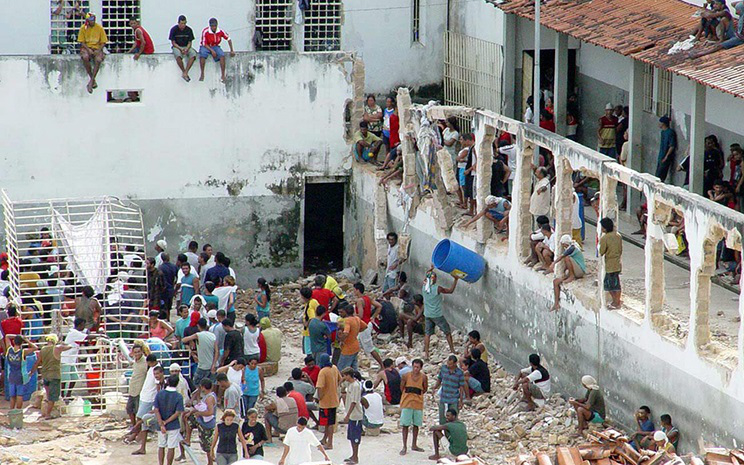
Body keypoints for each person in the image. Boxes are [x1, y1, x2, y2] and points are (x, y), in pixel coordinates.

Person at [421, 268, 458, 359]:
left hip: (427, 314)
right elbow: (450, 291)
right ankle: (452, 350)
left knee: (427, 334)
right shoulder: (437, 288)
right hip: (437, 314)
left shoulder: (424, 287)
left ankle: (426, 353)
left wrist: (430, 269)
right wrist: (455, 280)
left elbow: (427, 276)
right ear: (434, 279)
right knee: (447, 332)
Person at [132, 364, 166, 455]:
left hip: (164, 412)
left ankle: (137, 435)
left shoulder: (165, 385)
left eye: (157, 374)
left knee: (144, 419)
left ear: (162, 373)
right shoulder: (161, 384)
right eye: (155, 374)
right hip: (158, 410)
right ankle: (142, 447)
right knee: (145, 422)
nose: (156, 376)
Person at [34, 334, 70, 419]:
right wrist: (62, 343)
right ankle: (48, 414)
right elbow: (70, 346)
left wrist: (31, 372)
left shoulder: (43, 349)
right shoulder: (57, 348)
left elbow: (37, 362)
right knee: (52, 397)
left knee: (48, 395)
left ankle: (45, 412)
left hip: (45, 375)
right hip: (54, 376)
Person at [183, 379, 217, 465]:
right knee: (189, 419)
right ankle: (187, 439)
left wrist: (199, 413)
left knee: (207, 446)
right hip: (202, 420)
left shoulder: (209, 398)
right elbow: (199, 405)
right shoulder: (207, 395)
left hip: (207, 423)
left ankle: (210, 462)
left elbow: (210, 412)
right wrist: (192, 412)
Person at [550, 235, 587, 311]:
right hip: (576, 269)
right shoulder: (570, 247)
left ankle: (571, 276)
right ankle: (556, 303)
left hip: (580, 271)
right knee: (556, 282)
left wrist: (553, 263)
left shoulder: (572, 248)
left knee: (567, 258)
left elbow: (562, 257)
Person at [351, 283, 385, 368]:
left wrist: (352, 314)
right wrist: (373, 317)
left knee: (369, 348)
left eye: (354, 290)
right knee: (355, 345)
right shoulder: (367, 298)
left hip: (363, 326)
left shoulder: (359, 301)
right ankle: (353, 366)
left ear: (357, 290)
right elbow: (379, 306)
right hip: (367, 324)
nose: (353, 291)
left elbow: (360, 315)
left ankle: (382, 365)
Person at [154, 374, 185, 465]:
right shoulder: (178, 396)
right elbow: (177, 412)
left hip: (161, 424)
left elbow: (156, 410)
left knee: (161, 446)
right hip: (173, 425)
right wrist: (166, 422)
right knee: (171, 447)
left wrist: (161, 423)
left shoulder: (159, 394)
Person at [400, 358, 427, 455]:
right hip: (407, 402)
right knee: (405, 425)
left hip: (418, 403)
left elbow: (425, 388)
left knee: (416, 425)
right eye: (414, 367)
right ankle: (404, 446)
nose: (416, 369)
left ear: (420, 368)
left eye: (417, 367)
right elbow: (402, 387)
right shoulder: (406, 376)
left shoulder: (423, 377)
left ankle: (414, 444)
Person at [4, 334, 38, 410]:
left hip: (11, 376)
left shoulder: (9, 349)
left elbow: (7, 336)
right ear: (22, 343)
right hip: (21, 376)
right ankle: (19, 410)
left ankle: (11, 410)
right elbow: (35, 347)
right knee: (19, 395)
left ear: (13, 341)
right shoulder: (23, 352)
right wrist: (26, 339)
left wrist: (17, 336)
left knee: (12, 395)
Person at [315, 353, 341, 450]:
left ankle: (330, 443)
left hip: (325, 402)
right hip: (334, 399)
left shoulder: (323, 372)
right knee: (329, 422)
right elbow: (340, 379)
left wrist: (319, 397)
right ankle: (324, 439)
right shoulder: (334, 368)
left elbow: (320, 387)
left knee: (329, 423)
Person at [182, 318, 218, 386]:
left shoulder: (198, 335)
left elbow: (183, 340)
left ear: (198, 326)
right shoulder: (213, 335)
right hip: (213, 365)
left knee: (196, 384)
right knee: (211, 385)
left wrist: (191, 340)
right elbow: (216, 351)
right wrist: (214, 364)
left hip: (203, 366)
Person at [77, 13, 107, 94]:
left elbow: (103, 42)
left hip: (97, 48)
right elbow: (81, 42)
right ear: (87, 21)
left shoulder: (99, 28)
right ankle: (92, 79)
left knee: (98, 60)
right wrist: (88, 49)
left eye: (93, 20)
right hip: (86, 48)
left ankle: (91, 81)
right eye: (91, 20)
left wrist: (99, 50)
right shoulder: (83, 28)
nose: (93, 22)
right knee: (85, 57)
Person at [61, 317, 90, 398]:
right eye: (83, 325)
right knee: (65, 379)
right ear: (80, 325)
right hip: (65, 359)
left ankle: (68, 394)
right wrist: (100, 335)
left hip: (71, 360)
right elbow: (87, 337)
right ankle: (62, 396)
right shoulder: (74, 333)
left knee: (74, 377)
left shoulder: (75, 332)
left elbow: (87, 334)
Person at [199, 18, 235, 83]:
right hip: (206, 46)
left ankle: (223, 75)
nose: (214, 28)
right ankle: (202, 73)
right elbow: (204, 43)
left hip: (215, 46)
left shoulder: (220, 31)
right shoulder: (205, 31)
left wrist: (232, 50)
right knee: (202, 55)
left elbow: (228, 39)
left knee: (222, 55)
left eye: (215, 26)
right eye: (212, 26)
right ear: (210, 26)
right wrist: (212, 51)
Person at [433, 355, 465, 425]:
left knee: (453, 419)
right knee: (442, 419)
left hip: (454, 398)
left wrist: (461, 400)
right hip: (443, 397)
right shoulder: (444, 369)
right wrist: (435, 387)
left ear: (455, 363)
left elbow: (461, 387)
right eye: (448, 363)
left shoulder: (459, 373)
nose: (448, 365)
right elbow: (439, 379)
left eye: (450, 364)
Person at [341, 368, 364, 464]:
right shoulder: (350, 384)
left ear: (348, 375)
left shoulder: (355, 386)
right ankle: (353, 455)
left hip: (356, 415)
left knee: (355, 438)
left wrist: (348, 415)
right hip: (352, 416)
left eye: (344, 375)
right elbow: (341, 386)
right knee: (351, 437)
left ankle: (355, 457)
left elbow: (354, 402)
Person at [599, 218, 623, 309]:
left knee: (610, 285)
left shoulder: (604, 238)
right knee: (616, 283)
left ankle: (616, 302)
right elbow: (620, 249)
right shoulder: (618, 236)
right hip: (617, 262)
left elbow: (602, 251)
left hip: (610, 264)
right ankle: (616, 300)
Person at [337, 303, 366, 371]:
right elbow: (365, 326)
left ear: (346, 312)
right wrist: (355, 332)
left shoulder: (347, 320)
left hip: (348, 348)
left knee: (342, 369)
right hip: (355, 346)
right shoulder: (357, 318)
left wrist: (341, 339)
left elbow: (346, 333)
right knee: (353, 368)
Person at [169, 15, 197, 82]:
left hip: (186, 46)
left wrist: (186, 49)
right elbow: (173, 43)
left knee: (193, 54)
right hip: (177, 46)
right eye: (181, 23)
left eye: (184, 23)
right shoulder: (174, 29)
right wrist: (180, 49)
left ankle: (186, 72)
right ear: (178, 23)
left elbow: (190, 42)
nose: (183, 25)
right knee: (178, 55)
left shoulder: (189, 30)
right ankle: (183, 71)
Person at [656, 116, 677, 183]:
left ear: (663, 124)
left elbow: (672, 146)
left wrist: (666, 156)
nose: (658, 124)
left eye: (660, 123)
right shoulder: (663, 132)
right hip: (661, 156)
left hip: (665, 157)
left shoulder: (670, 132)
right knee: (657, 175)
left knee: (661, 176)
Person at [299, 287, 319, 355]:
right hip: (315, 330)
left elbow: (312, 318)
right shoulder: (314, 301)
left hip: (308, 332)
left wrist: (306, 324)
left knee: (308, 351)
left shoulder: (309, 306)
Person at [159, 254, 178, 320]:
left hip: (163, 290)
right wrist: (174, 284)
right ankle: (168, 319)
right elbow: (177, 277)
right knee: (169, 306)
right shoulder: (174, 267)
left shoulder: (160, 267)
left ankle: (165, 319)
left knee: (164, 306)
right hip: (171, 288)